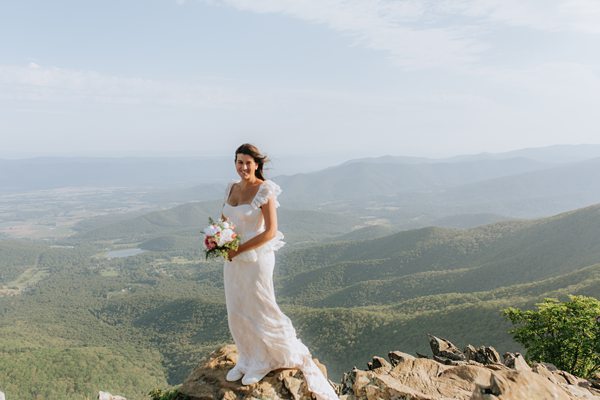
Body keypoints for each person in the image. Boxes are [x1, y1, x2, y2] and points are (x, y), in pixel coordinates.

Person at [220, 143, 339, 400]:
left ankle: (264, 360)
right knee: (237, 306)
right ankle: (246, 357)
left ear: (257, 164)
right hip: (232, 257)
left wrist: (238, 248)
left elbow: (270, 231)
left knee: (260, 305)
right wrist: (218, 238)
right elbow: (226, 220)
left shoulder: (265, 190)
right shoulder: (231, 187)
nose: (243, 167)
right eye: (239, 162)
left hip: (256, 258)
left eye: (248, 163)